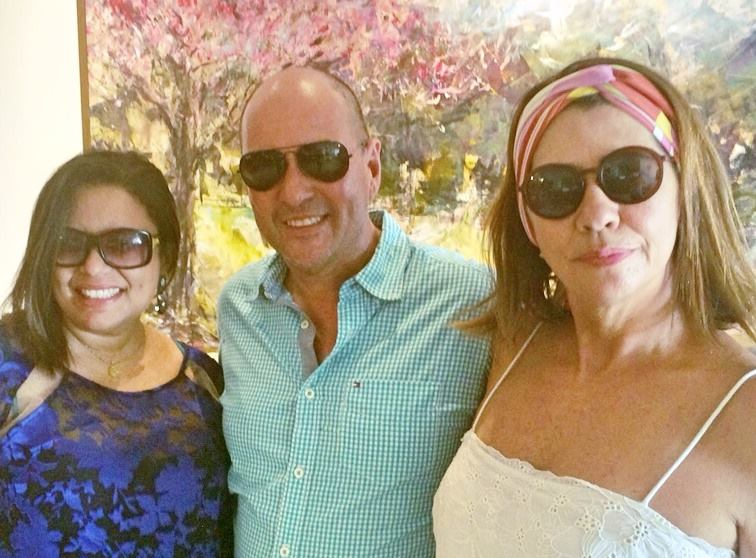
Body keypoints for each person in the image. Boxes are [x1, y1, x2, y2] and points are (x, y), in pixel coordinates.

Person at [433, 57, 756, 556]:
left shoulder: (745, 413)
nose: (597, 214)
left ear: (685, 188)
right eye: (555, 188)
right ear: (528, 221)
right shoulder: (512, 346)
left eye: (630, 174)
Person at [218, 66, 491, 557]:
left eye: (322, 159)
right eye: (264, 167)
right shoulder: (239, 307)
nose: (294, 192)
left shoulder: (471, 303)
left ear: (372, 167)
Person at [0, 151, 233, 556]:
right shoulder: (10, 361)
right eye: (69, 243)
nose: (93, 267)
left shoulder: (204, 380)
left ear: (164, 258)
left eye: (125, 244)